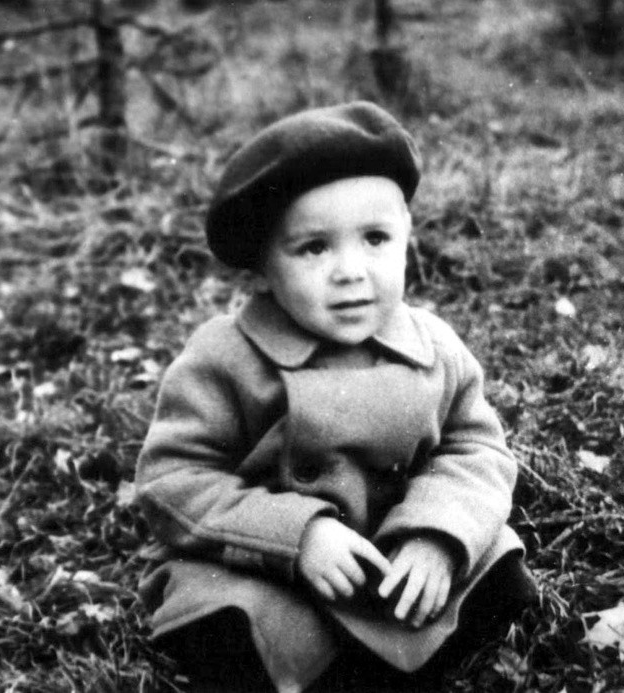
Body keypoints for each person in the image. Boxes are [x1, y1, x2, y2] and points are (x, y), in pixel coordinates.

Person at [135, 101, 536, 693]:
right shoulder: (225, 357)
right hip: (273, 568)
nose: (351, 271)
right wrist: (297, 536)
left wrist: (436, 534)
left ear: (407, 239)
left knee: (499, 569)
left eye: (375, 239)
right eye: (314, 248)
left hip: (393, 554)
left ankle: (405, 652)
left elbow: (476, 448)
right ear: (264, 266)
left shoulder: (432, 347)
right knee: (232, 622)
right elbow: (173, 478)